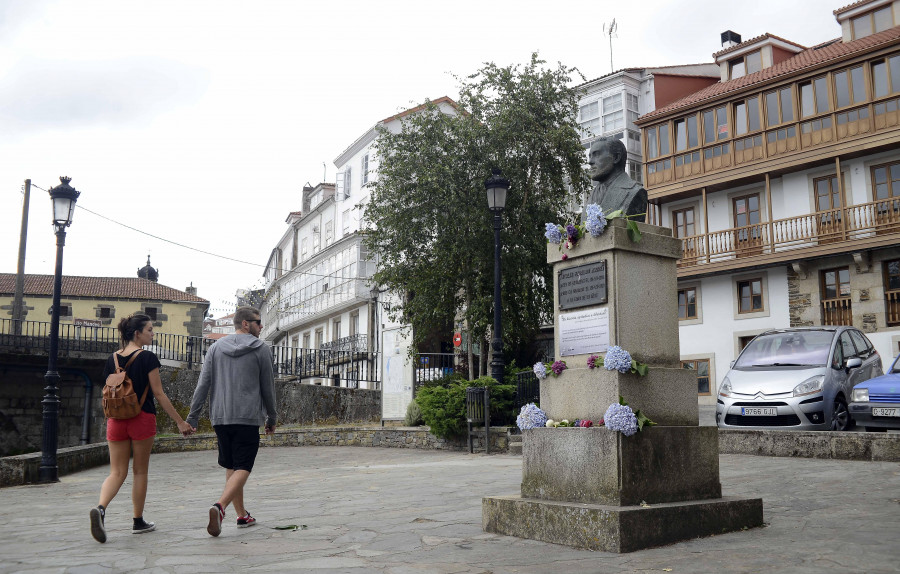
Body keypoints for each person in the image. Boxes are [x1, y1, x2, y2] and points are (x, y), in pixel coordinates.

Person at [90, 314, 196, 543]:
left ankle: (100, 508)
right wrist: (180, 422)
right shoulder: (148, 357)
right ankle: (138, 521)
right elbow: (159, 393)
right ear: (137, 333)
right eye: (149, 329)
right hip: (141, 418)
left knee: (116, 472)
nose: (153, 333)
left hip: (115, 420)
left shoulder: (112, 359)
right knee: (140, 471)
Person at [186, 306, 277, 537]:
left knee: (232, 466)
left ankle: (241, 515)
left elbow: (202, 384)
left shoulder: (215, 348)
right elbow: (268, 387)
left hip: (221, 417)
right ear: (245, 324)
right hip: (247, 417)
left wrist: (193, 416)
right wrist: (272, 417)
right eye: (258, 322)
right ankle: (220, 507)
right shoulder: (261, 349)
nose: (261, 326)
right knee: (244, 466)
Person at [586, 137, 648, 221]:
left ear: (616, 157)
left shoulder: (634, 191)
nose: (590, 162)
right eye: (590, 156)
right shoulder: (591, 196)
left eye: (596, 155)